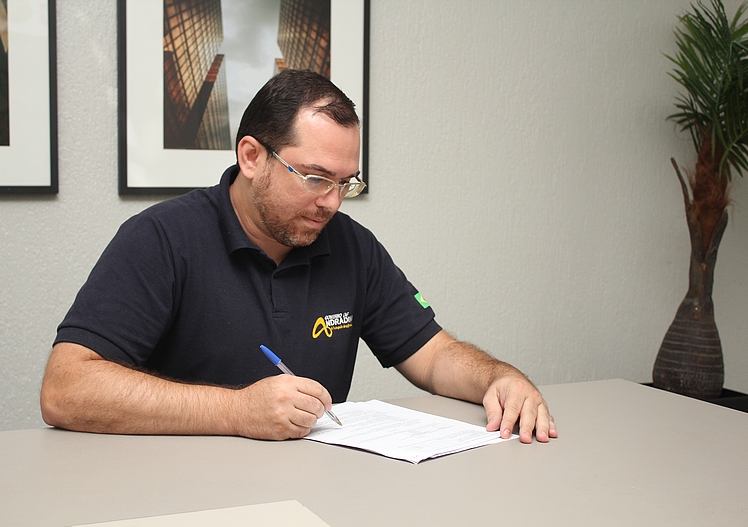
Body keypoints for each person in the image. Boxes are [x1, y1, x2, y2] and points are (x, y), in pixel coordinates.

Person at [40, 69, 557, 444]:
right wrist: (238, 410)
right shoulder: (161, 238)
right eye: (313, 178)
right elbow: (66, 388)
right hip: (179, 493)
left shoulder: (351, 246)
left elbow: (434, 354)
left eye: (344, 182)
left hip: (316, 490)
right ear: (251, 157)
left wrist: (499, 377)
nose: (330, 201)